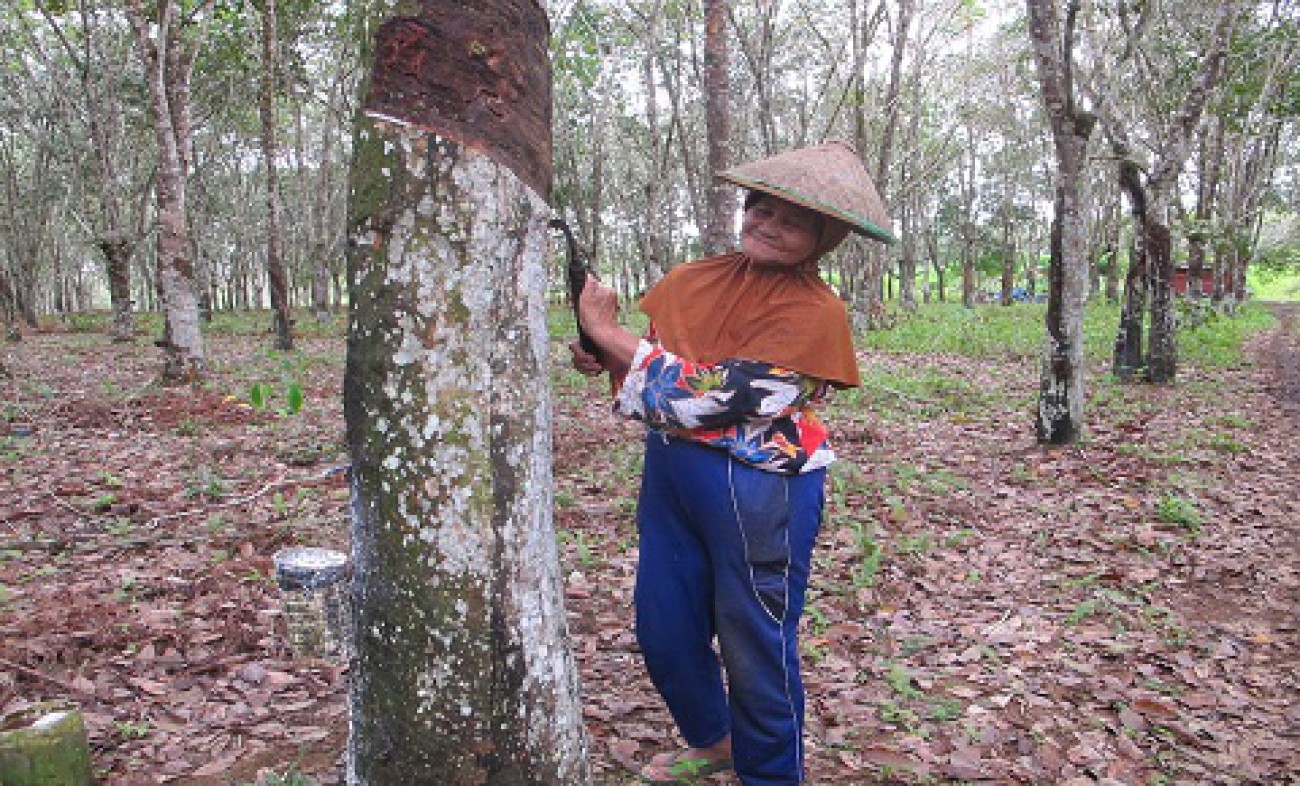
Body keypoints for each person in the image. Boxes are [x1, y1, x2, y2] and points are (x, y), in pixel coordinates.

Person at [571, 141, 895, 786]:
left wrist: (611, 335)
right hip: (671, 474)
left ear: (823, 238)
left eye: (791, 221)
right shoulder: (698, 277)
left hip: (757, 485)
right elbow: (655, 356)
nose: (768, 226)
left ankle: (771, 775)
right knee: (662, 626)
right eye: (760, 210)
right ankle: (716, 741)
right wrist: (602, 353)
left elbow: (727, 397)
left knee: (755, 640)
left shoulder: (815, 310)